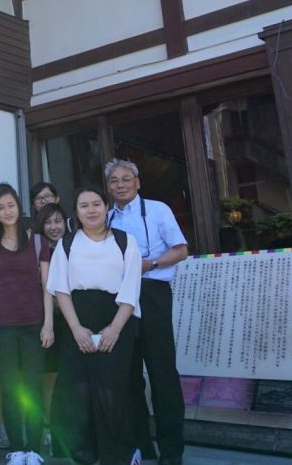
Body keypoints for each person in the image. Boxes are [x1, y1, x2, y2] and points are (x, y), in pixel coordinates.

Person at [47, 187, 142, 465]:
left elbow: (130, 291)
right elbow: (60, 290)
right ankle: (83, 455)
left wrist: (114, 329)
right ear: (75, 212)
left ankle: (118, 456)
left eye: (97, 204)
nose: (91, 210)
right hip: (77, 321)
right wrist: (75, 329)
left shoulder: (126, 242)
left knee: (112, 392)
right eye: (84, 205)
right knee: (78, 392)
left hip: (117, 321)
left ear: (106, 208)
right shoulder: (67, 244)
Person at [105, 159, 189, 465]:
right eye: (114, 181)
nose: (120, 185)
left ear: (138, 181)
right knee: (128, 374)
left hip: (153, 292)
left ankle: (172, 451)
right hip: (120, 298)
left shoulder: (157, 209)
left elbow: (181, 249)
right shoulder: (107, 216)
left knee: (162, 372)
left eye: (126, 179)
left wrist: (150, 264)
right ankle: (141, 443)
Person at [0, 184, 51, 464]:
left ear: (18, 206)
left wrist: (49, 325)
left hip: (34, 324)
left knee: (33, 385)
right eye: (0, 207)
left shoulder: (37, 242)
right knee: (10, 387)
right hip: (3, 325)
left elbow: (48, 286)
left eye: (11, 205)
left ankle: (33, 449)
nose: (7, 211)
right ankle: (17, 449)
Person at [34, 202, 71, 441]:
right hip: (47, 319)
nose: (54, 227)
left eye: (58, 221)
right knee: (49, 373)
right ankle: (47, 425)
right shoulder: (34, 248)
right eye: (48, 222)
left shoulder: (74, 245)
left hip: (74, 319)